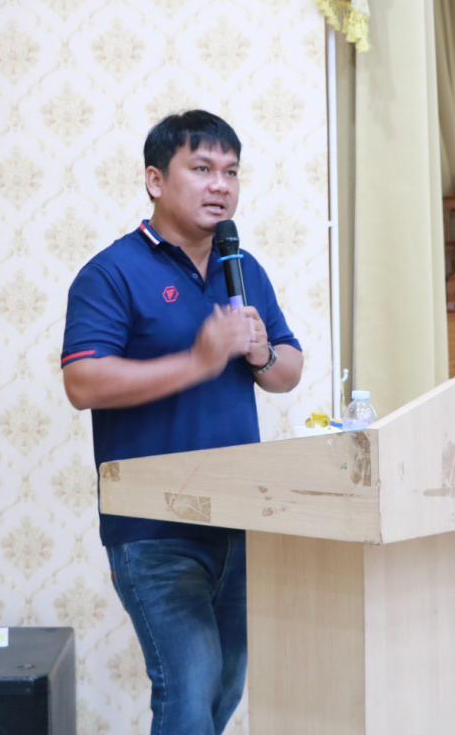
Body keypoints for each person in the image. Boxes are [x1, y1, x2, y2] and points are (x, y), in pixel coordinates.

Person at [60, 110, 303, 734]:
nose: (220, 185)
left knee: (223, 687)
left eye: (231, 172)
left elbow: (288, 371)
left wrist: (261, 354)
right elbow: (83, 383)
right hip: (154, 528)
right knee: (188, 690)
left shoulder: (242, 268)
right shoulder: (111, 272)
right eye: (201, 168)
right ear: (155, 180)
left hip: (240, 518)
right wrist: (198, 361)